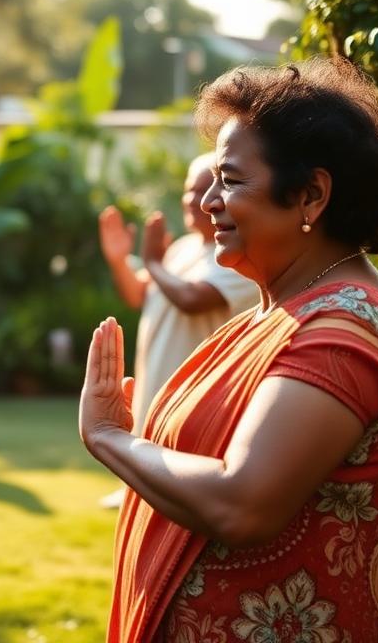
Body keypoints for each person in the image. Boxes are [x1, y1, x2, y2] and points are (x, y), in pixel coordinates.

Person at [80, 58, 378, 642]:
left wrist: (110, 438)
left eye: (232, 180)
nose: (208, 203)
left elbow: (242, 505)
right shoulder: (287, 312)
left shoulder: (342, 325)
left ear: (311, 194)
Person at [97, 155, 258, 507]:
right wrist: (119, 261)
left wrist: (153, 262)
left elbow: (191, 298)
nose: (194, 199)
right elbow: (139, 293)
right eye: (189, 189)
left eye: (205, 189)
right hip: (155, 382)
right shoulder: (183, 249)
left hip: (195, 396)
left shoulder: (237, 256)